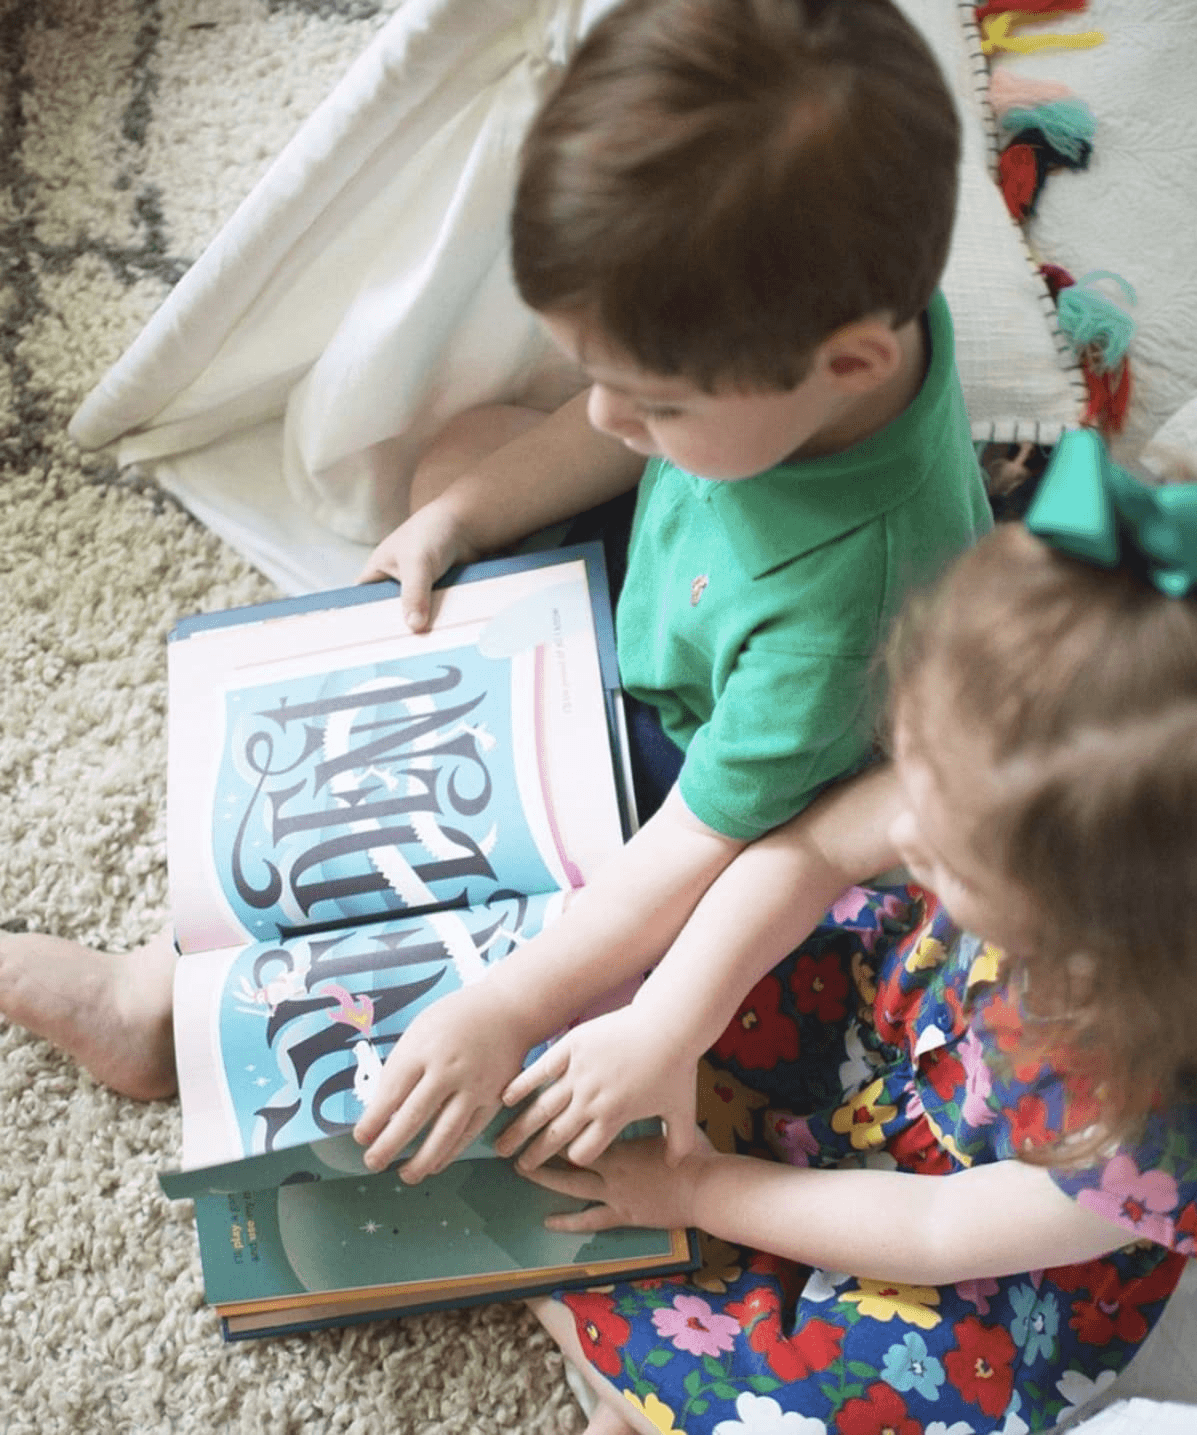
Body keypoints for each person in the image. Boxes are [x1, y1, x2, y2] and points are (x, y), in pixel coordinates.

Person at [479, 434, 1197, 1434]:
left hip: (961, 1265)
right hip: (893, 1028)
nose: (910, 838)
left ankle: (632, 1372)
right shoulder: (1005, 767)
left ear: (1102, 940)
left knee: (823, 1393)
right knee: (610, 1008)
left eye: (952, 863)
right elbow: (810, 852)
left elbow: (937, 1229)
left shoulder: (1183, 1118)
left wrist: (698, 1187)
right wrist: (667, 1026)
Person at [349, 0, 992, 1181]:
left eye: (651, 399)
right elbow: (621, 436)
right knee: (467, 462)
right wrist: (465, 512)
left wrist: (502, 1009)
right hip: (685, 599)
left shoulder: (843, 618)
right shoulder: (827, 331)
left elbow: (696, 845)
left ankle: (158, 1010)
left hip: (722, 773)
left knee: (540, 946)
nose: (607, 416)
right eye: (602, 377)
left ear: (848, 361)